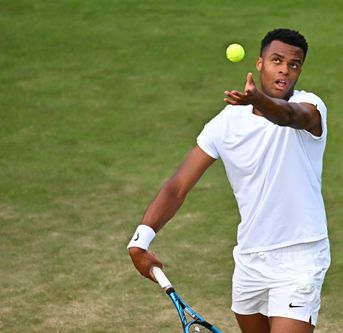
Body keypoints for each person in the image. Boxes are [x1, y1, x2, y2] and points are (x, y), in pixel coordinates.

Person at [128, 28, 331, 333]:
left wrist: (259, 100)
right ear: (260, 63)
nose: (285, 70)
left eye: (294, 64)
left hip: (300, 257)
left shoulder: (311, 109)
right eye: (277, 60)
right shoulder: (225, 124)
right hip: (250, 258)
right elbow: (178, 186)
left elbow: (289, 116)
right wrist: (140, 240)